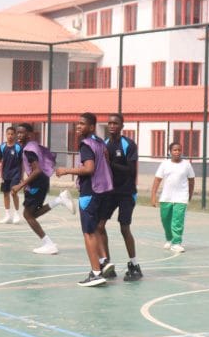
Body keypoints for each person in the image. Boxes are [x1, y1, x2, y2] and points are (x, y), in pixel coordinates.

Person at [56, 113, 113, 287]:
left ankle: (96, 274)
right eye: (78, 123)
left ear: (92, 127)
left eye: (82, 124)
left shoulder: (86, 144)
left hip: (91, 191)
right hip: (105, 190)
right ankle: (103, 261)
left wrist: (66, 171)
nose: (78, 126)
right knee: (95, 228)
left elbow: (89, 169)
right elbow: (106, 162)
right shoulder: (100, 142)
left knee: (88, 233)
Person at [12, 122, 74, 255]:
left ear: (29, 134)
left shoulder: (29, 150)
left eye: (22, 133)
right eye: (18, 132)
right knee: (32, 214)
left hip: (37, 183)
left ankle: (49, 244)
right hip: (40, 181)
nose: (19, 135)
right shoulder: (33, 145)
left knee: (28, 215)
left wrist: (20, 185)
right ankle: (60, 200)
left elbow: (37, 170)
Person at [96, 114, 141, 281]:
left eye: (115, 123)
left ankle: (134, 265)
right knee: (99, 226)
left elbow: (131, 170)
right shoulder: (104, 144)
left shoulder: (128, 144)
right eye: (109, 123)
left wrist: (111, 164)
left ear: (122, 126)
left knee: (124, 228)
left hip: (126, 192)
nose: (112, 126)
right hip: (109, 192)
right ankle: (107, 264)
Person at [151, 142, 195, 253]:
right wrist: (153, 196)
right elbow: (157, 180)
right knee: (165, 220)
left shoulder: (186, 165)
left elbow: (191, 180)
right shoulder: (164, 164)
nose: (177, 152)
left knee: (177, 221)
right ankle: (169, 239)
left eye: (179, 150)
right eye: (175, 150)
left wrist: (189, 194)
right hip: (166, 197)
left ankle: (176, 243)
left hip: (181, 198)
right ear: (170, 152)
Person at [0, 126, 22, 224]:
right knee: (5, 193)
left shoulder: (18, 147)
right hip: (5, 174)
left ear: (15, 135)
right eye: (8, 134)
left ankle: (16, 214)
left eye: (12, 134)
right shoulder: (2, 146)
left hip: (15, 174)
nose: (10, 136)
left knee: (14, 192)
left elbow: (22, 162)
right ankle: (7, 215)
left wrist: (22, 176)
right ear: (6, 135)